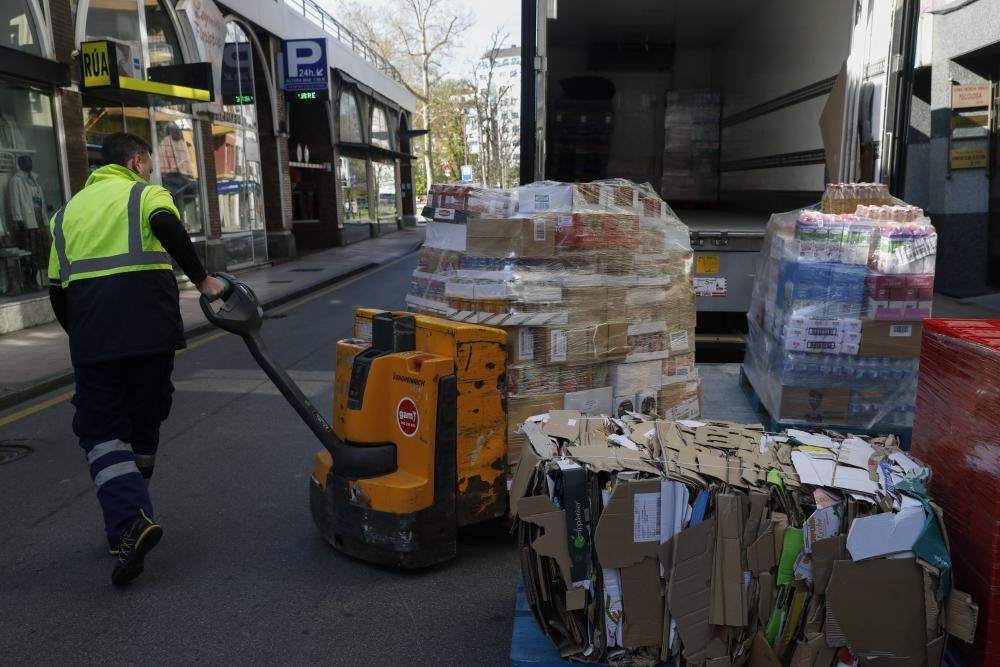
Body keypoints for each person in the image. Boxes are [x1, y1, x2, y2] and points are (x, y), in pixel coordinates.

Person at [47, 133, 227, 587]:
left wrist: (81, 334)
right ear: (135, 161)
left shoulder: (65, 214)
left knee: (102, 430)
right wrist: (205, 280)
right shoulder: (146, 194)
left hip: (94, 336)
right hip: (152, 329)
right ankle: (126, 524)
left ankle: (130, 519)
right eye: (148, 164)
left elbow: (56, 289)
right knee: (144, 421)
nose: (150, 170)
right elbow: (168, 226)